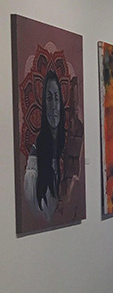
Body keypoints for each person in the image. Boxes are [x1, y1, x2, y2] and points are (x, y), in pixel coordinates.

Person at [23, 70, 65, 222]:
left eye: (56, 98)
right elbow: (35, 211)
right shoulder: (36, 154)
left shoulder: (66, 144)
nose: (53, 106)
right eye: (49, 99)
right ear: (43, 105)